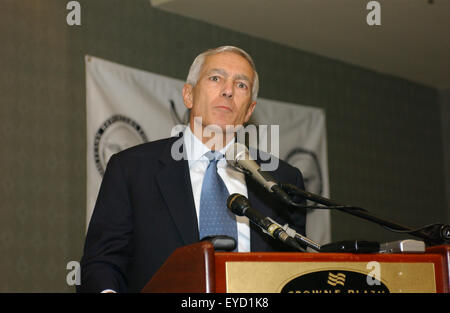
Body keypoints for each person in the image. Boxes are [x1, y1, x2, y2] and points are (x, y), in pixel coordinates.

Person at [78, 46, 307, 293]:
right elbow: (102, 263)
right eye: (215, 78)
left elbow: (295, 272)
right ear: (188, 95)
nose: (228, 91)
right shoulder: (132, 169)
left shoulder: (281, 180)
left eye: (241, 85)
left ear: (249, 110)